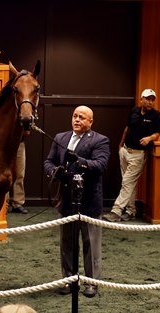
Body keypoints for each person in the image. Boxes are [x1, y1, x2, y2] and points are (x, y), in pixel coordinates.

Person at [44, 106, 110, 298]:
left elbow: (100, 165)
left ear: (90, 122)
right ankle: (68, 280)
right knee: (67, 244)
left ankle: (92, 283)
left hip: (89, 201)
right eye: (75, 116)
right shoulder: (60, 137)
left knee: (90, 244)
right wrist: (54, 172)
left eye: (82, 117)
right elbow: (49, 161)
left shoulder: (100, 140)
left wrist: (79, 161)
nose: (77, 120)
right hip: (66, 201)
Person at [103, 88, 160, 222]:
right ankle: (131, 211)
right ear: (141, 99)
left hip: (138, 155)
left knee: (127, 183)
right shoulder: (134, 111)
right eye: (147, 99)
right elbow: (127, 128)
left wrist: (149, 138)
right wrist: (121, 144)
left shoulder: (156, 116)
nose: (150, 102)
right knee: (129, 184)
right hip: (125, 151)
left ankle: (116, 211)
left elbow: (157, 134)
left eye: (153, 99)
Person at [7, 141, 28, 214]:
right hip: (4, 140)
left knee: (20, 174)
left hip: (19, 141)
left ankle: (18, 203)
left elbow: (27, 132)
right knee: (4, 174)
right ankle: (4, 205)